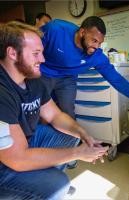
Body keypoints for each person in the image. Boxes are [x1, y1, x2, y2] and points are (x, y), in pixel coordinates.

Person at [0, 21, 109, 199]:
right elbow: (16, 158)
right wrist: (78, 153)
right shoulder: (2, 92)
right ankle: (42, 186)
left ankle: (41, 180)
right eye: (36, 54)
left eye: (42, 53)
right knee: (59, 185)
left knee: (70, 135)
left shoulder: (32, 79)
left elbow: (55, 115)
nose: (42, 60)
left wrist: (83, 134)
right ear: (12, 53)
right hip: (5, 163)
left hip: (24, 142)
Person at [40, 16, 129, 119]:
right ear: (82, 33)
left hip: (67, 79)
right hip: (44, 73)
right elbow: (30, 44)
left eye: (100, 43)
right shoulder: (56, 29)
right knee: (38, 111)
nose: (97, 46)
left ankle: (70, 143)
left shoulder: (96, 56)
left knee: (68, 113)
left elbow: (116, 79)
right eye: (94, 41)